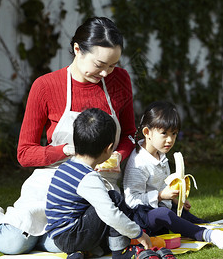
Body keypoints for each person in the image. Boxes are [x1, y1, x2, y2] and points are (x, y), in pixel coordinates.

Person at [0, 17, 137, 255]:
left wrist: (117, 156)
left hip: (98, 182)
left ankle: (52, 236)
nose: (106, 73)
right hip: (52, 181)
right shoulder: (46, 86)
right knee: (13, 244)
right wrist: (67, 150)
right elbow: (24, 153)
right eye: (100, 64)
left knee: (65, 245)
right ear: (77, 49)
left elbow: (129, 134)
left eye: (113, 65)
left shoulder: (120, 81)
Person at [45, 107, 176, 259]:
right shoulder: (88, 177)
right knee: (113, 198)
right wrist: (138, 233)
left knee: (102, 203)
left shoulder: (67, 167)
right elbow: (110, 214)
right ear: (109, 149)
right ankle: (120, 252)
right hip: (72, 237)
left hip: (59, 236)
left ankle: (82, 251)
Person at [123, 100, 223, 250]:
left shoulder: (160, 154)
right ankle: (207, 234)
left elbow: (162, 184)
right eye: (164, 133)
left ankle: (208, 225)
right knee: (163, 213)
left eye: (174, 134)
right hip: (141, 218)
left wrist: (175, 199)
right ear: (147, 132)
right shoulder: (138, 163)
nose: (170, 140)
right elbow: (131, 201)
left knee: (179, 211)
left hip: (158, 207)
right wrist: (161, 195)